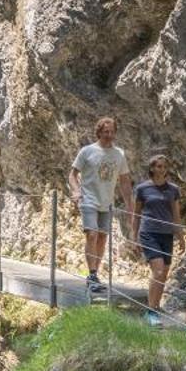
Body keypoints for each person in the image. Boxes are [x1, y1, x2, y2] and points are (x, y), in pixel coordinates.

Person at [68, 117, 130, 295]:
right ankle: (92, 274)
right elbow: (72, 175)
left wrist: (130, 206)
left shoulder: (119, 154)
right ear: (99, 132)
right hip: (88, 199)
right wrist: (76, 191)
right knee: (92, 234)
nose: (109, 135)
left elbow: (125, 181)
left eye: (112, 132)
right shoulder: (87, 151)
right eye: (105, 132)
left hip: (107, 202)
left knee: (102, 237)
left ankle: (95, 273)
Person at [131, 155, 180, 324]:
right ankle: (150, 311)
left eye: (164, 166)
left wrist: (180, 236)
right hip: (149, 233)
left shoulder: (173, 189)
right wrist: (133, 237)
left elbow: (176, 214)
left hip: (167, 234)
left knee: (164, 273)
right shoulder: (142, 189)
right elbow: (136, 215)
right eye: (158, 166)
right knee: (158, 270)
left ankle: (156, 306)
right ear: (152, 168)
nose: (161, 169)